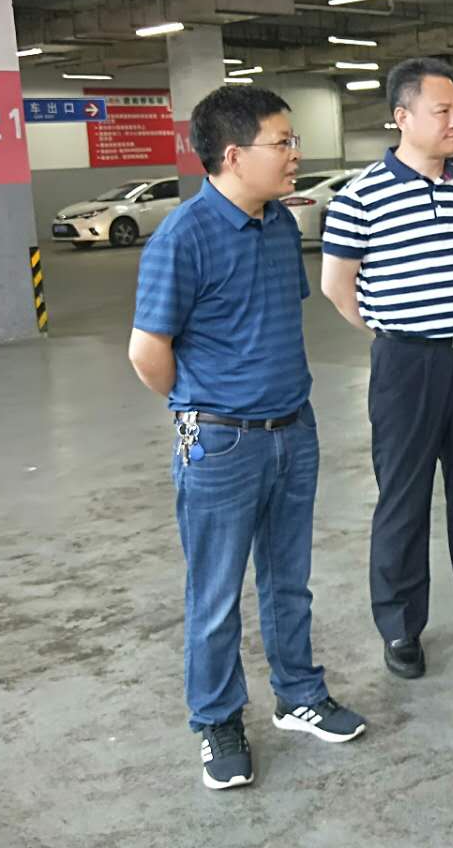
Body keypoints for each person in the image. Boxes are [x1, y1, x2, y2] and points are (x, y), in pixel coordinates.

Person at [128, 85, 365, 792]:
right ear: (233, 156)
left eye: (293, 141)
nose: (295, 155)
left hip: (294, 428)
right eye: (282, 142)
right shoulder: (183, 238)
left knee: (288, 580)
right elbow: (147, 352)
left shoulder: (280, 225)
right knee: (216, 593)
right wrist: (202, 405)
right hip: (222, 444)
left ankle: (298, 694)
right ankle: (218, 719)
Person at [320, 57, 453, 681]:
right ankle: (400, 626)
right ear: (402, 117)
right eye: (442, 111)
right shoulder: (361, 195)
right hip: (405, 365)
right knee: (403, 499)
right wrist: (394, 330)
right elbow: (337, 286)